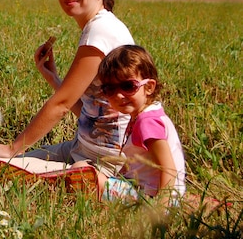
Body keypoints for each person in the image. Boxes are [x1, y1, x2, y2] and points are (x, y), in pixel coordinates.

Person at [0, 0, 134, 179]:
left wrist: (12, 149)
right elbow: (91, 113)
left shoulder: (100, 32)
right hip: (82, 148)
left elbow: (62, 104)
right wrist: (53, 78)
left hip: (105, 163)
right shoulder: (99, 26)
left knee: (2, 168)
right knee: (2, 162)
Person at [79, 45, 185, 204]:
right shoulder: (145, 114)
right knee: (86, 170)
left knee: (82, 172)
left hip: (153, 198)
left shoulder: (147, 122)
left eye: (128, 86)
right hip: (148, 190)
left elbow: (169, 169)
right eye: (110, 89)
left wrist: (160, 211)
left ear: (149, 87)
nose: (119, 95)